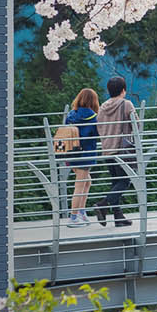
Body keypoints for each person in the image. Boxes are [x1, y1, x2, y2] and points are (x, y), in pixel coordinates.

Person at [93, 76, 137, 227]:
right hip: (122, 150)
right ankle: (103, 205)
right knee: (125, 181)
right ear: (123, 90)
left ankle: (118, 217)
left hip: (107, 150)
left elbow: (99, 127)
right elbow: (136, 125)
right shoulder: (126, 104)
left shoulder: (102, 107)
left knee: (115, 182)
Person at [59, 89, 100, 228]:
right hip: (85, 155)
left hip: (71, 154)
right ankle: (73, 217)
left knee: (87, 181)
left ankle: (82, 212)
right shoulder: (94, 117)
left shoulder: (71, 115)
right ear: (93, 101)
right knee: (79, 185)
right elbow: (98, 134)